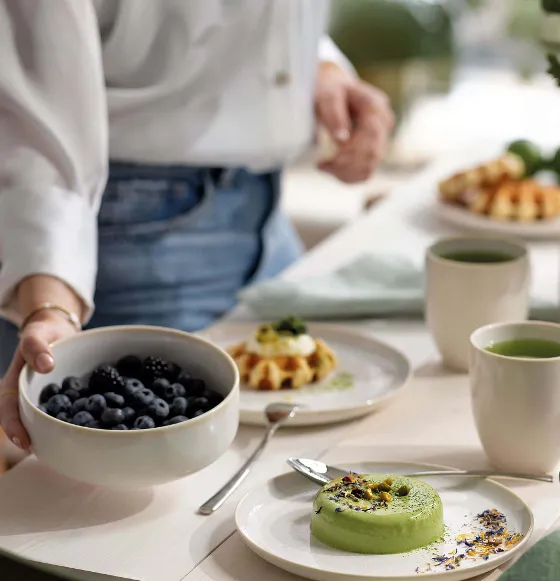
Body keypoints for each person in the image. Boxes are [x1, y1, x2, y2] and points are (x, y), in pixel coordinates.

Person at [0, 0, 395, 451]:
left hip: (268, 218)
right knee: (158, 493)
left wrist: (317, 65)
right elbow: (33, 118)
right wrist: (51, 306)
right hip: (135, 239)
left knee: (311, 448)